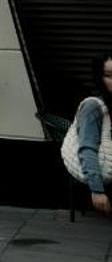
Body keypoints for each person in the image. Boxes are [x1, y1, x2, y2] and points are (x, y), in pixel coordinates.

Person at [66, 50, 112, 218]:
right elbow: (87, 149)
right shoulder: (93, 107)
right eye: (108, 75)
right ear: (100, 78)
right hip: (101, 170)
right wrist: (97, 190)